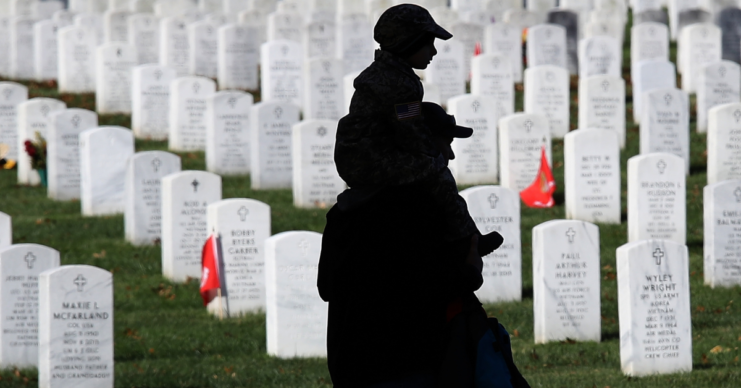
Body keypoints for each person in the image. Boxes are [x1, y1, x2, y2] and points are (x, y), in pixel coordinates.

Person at [318, 102, 501, 387]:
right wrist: (471, 270)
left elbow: (326, 287)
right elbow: (428, 286)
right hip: (407, 364)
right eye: (445, 142)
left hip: (351, 364)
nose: (450, 155)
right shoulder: (417, 209)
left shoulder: (343, 212)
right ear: (420, 145)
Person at [334, 4, 501, 257]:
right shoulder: (401, 85)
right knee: (437, 172)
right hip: (371, 162)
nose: (433, 51)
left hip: (361, 157)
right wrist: (433, 156)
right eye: (428, 43)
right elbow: (412, 134)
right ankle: (468, 237)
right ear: (408, 42)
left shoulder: (381, 73)